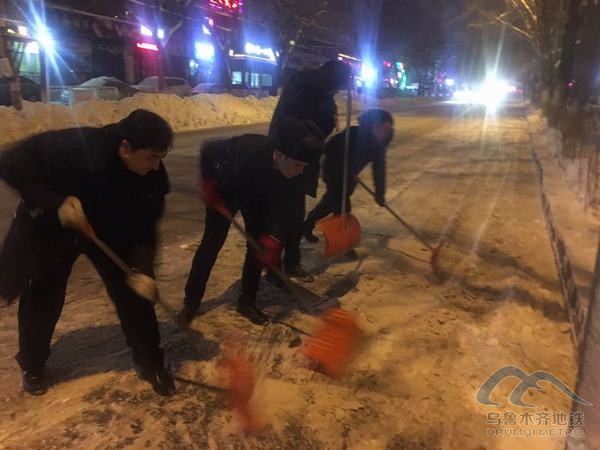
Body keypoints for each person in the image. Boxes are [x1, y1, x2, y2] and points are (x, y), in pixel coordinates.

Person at [0, 109, 176, 397]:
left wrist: (142, 268)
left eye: (160, 158)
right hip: (53, 223)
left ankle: (151, 361)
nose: (156, 166)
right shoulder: (76, 146)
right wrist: (56, 203)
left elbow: (146, 227)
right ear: (125, 148)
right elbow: (8, 163)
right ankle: (32, 364)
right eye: (151, 158)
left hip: (108, 228)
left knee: (133, 295)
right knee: (44, 293)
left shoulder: (151, 176)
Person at [179, 118, 324, 326]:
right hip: (225, 191)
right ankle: (191, 301)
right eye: (298, 165)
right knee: (211, 244)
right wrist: (208, 184)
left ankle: (247, 303)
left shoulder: (292, 176)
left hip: (256, 198)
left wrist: (273, 237)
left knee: (257, 246)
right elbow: (209, 149)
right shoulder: (249, 149)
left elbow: (284, 212)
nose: (301, 170)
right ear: (279, 155)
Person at [267, 60, 352, 283]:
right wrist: (327, 119)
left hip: (297, 156)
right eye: (340, 85)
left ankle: (288, 263)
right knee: (286, 215)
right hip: (289, 156)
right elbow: (299, 125)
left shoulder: (314, 86)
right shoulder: (309, 89)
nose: (339, 90)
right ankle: (276, 266)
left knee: (293, 213)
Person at [303, 109, 395, 251]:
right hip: (334, 171)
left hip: (350, 175)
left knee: (329, 204)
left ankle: (307, 224)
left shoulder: (380, 143)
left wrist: (380, 194)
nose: (386, 133)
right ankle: (342, 244)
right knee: (342, 209)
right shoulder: (353, 135)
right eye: (383, 128)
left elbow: (379, 169)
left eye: (388, 129)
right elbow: (329, 147)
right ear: (373, 126)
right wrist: (344, 168)